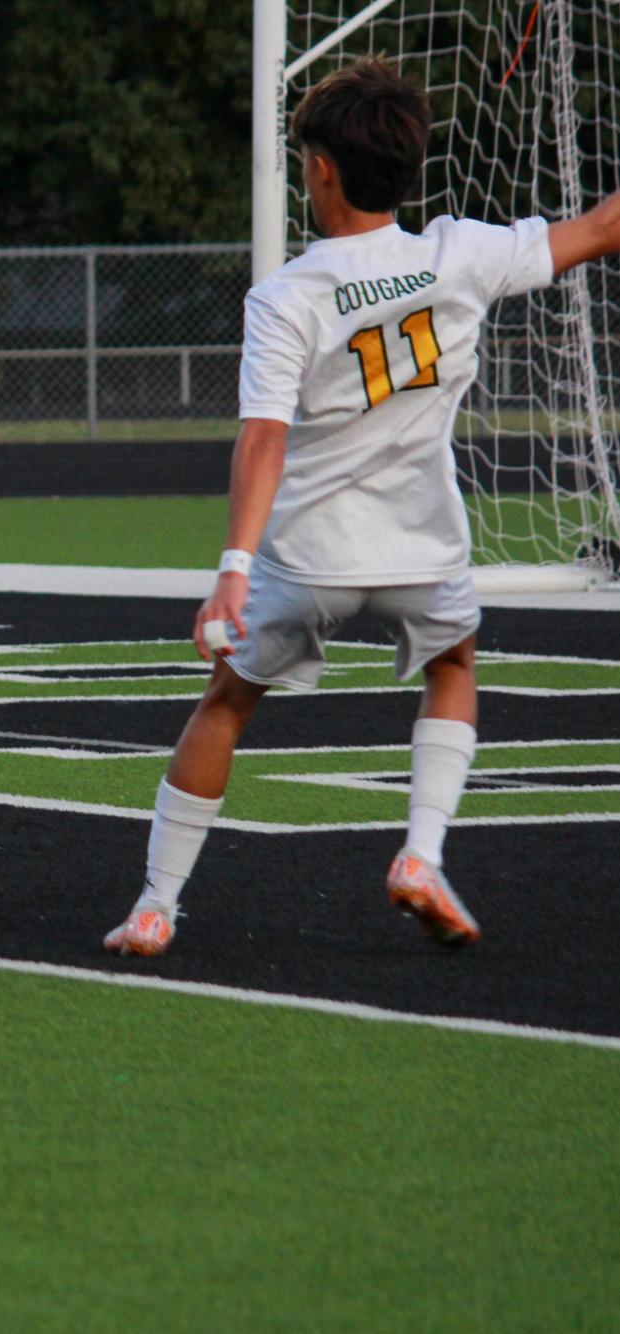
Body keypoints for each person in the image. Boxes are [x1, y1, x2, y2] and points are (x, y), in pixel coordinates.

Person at [103, 56, 620, 957]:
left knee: (224, 705)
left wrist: (230, 572)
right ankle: (420, 854)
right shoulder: (459, 253)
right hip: (422, 551)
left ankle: (155, 904)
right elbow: (604, 225)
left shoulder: (287, 297)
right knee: (453, 667)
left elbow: (262, 437)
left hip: (308, 560)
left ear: (320, 169)